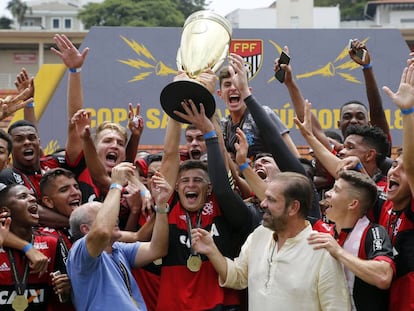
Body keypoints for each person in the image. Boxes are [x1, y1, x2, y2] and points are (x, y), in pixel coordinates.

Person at [191, 171, 351, 310]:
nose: (263, 203)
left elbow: (337, 307)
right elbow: (238, 277)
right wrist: (212, 250)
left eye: (271, 200)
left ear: (293, 207)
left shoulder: (322, 251)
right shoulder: (260, 234)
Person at [66, 162, 169, 310]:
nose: (114, 218)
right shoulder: (79, 253)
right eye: (105, 215)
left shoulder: (118, 249)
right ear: (85, 229)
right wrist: (115, 186)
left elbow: (157, 249)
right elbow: (102, 231)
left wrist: (161, 205)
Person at [308, 170, 394, 310]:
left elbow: (383, 276)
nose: (328, 193)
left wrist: (338, 252)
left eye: (336, 190)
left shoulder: (373, 232)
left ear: (353, 204)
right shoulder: (324, 230)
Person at [377, 56, 414, 311]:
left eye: (400, 167)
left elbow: (411, 166)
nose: (394, 169)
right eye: (393, 165)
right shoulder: (383, 206)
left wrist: (407, 112)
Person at [0, 184, 69, 310]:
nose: (32, 198)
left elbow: (65, 296)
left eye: (32, 195)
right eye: (23, 196)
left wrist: (66, 289)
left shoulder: (52, 242)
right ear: (5, 211)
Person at [218, 65, 299, 160]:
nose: (233, 88)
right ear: (220, 94)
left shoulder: (264, 115)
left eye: (238, 83)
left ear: (248, 91)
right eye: (227, 85)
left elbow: (295, 157)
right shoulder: (223, 125)